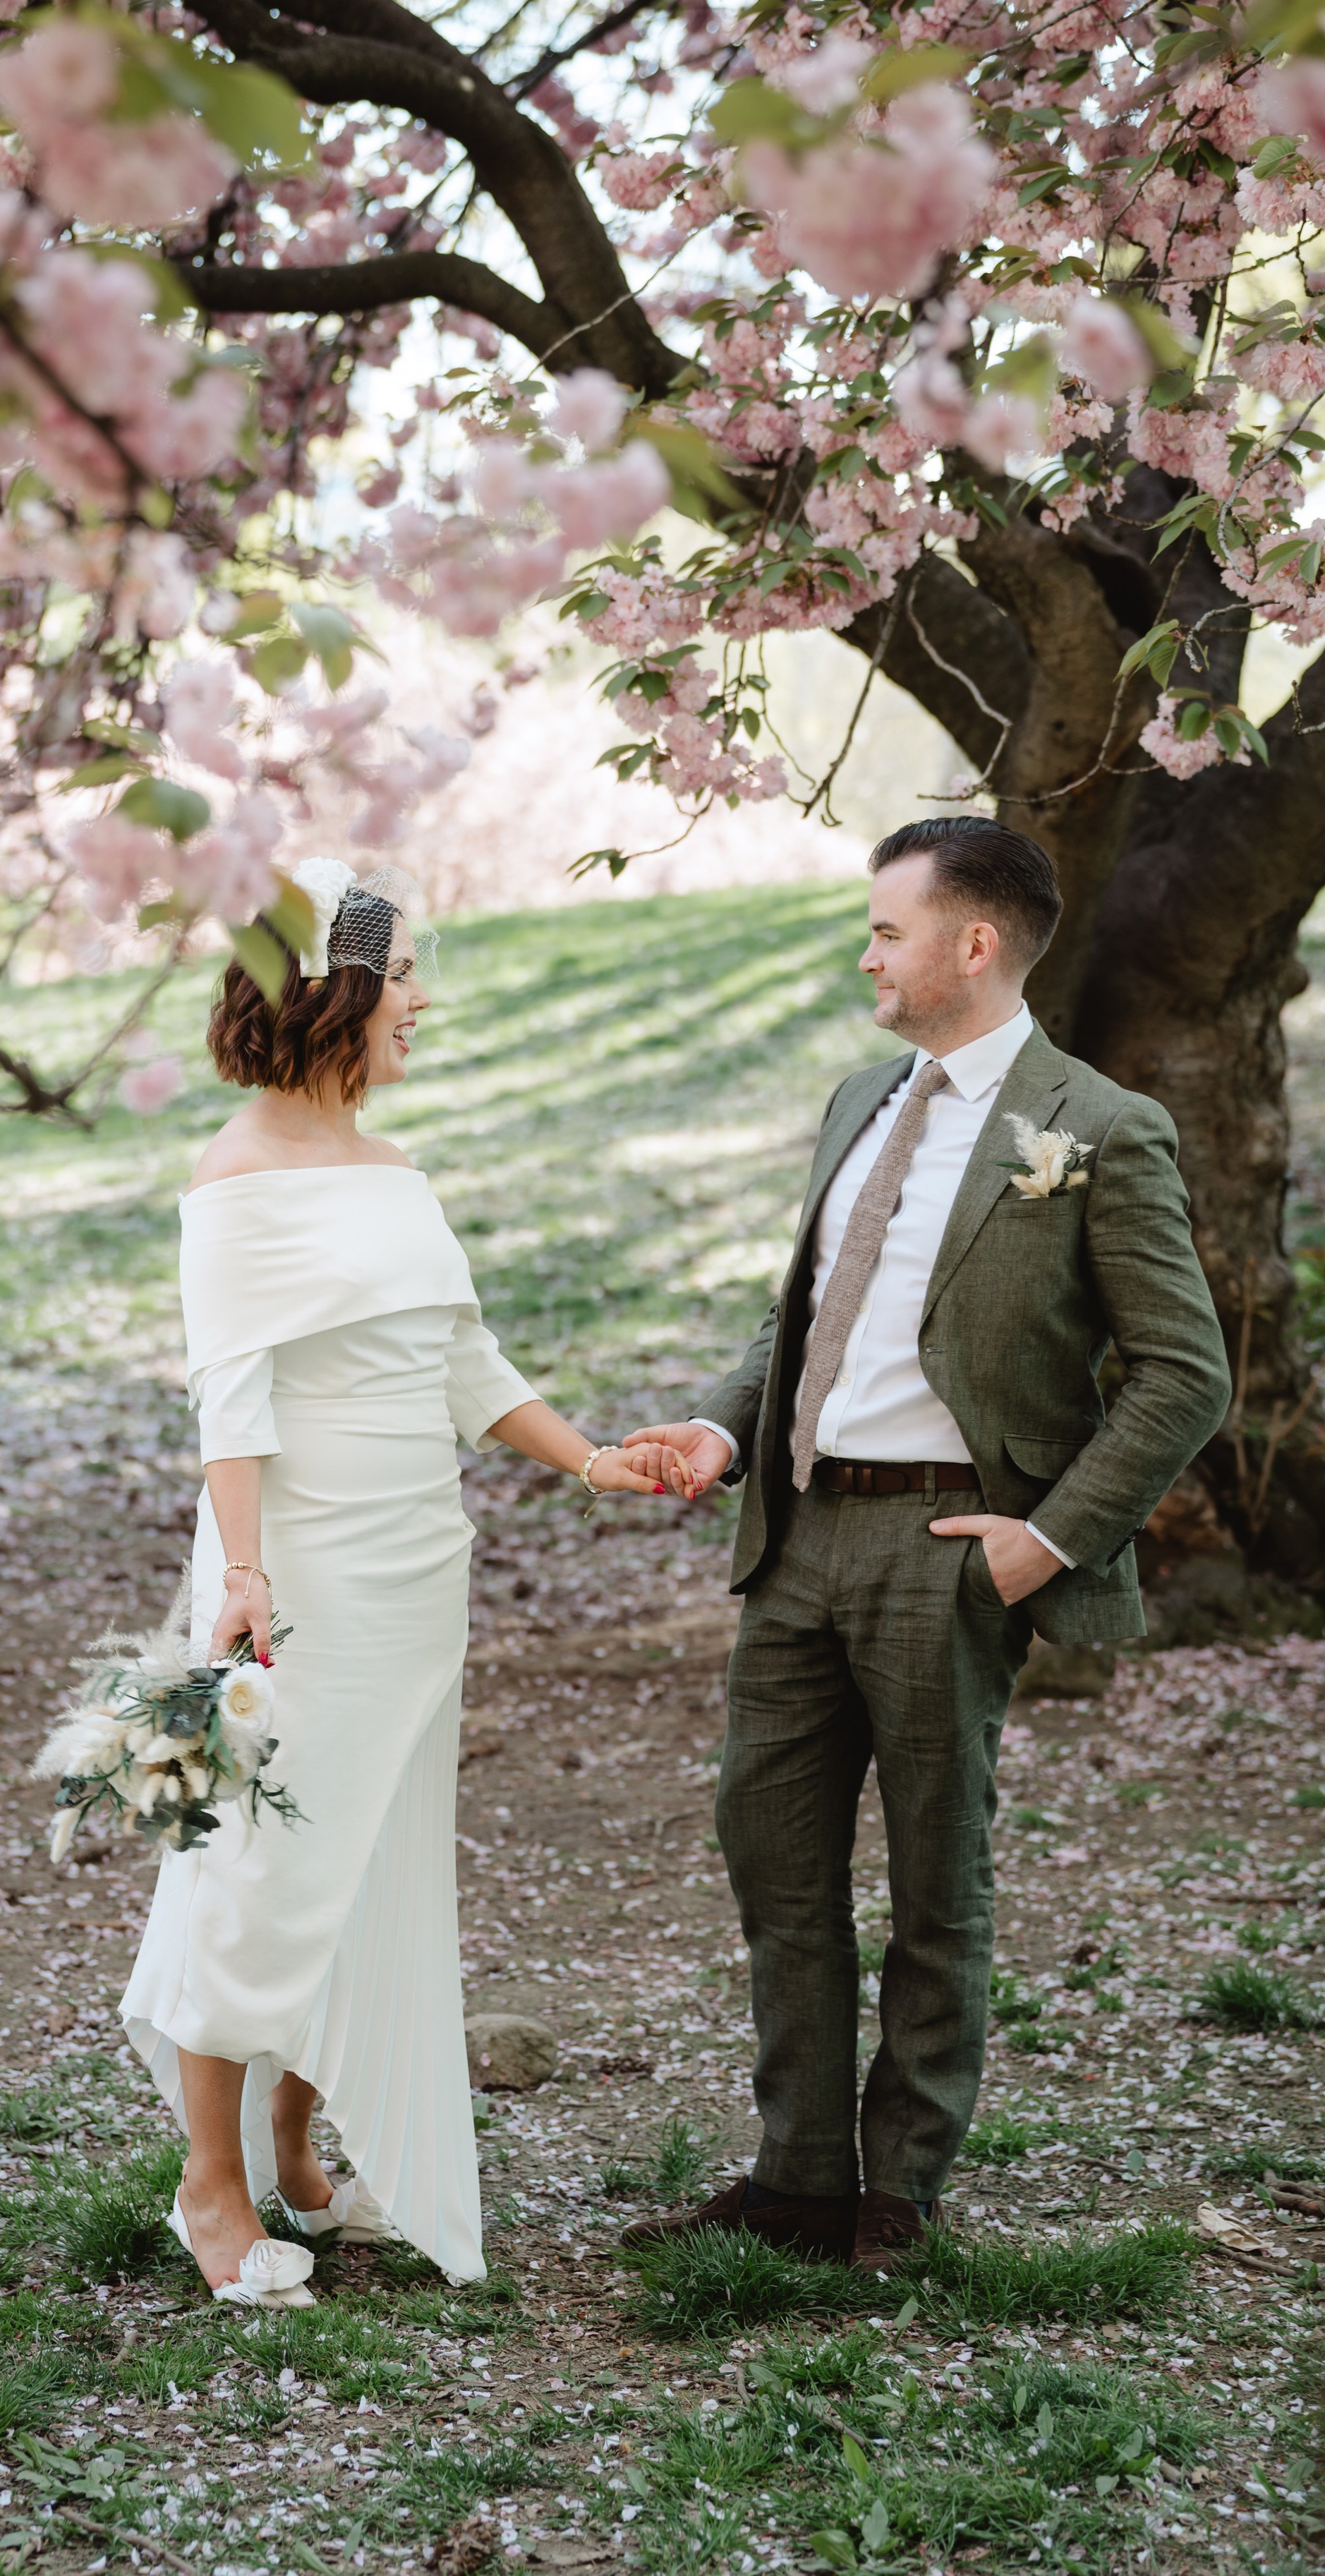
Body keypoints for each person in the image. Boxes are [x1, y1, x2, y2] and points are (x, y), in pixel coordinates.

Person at [622, 818, 1231, 2273]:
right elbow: (804, 1324)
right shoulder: (856, 1100)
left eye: (884, 930)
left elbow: (1180, 1372)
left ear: (972, 945)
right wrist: (719, 1426)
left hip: (946, 1547)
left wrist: (1046, 1541)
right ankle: (794, 2179)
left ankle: (896, 2192)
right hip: (796, 1538)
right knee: (771, 1858)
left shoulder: (1090, 1126)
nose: (864, 954)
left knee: (931, 1875)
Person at [121, 857, 664, 2307]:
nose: (423, 1002)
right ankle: (211, 2181)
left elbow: (462, 1361)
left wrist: (594, 1462)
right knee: (254, 1862)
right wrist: (239, 1574)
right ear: (333, 989)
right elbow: (227, 1398)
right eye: (406, 974)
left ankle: (303, 2155)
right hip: (289, 1575)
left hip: (419, 1569)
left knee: (359, 1863)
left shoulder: (393, 1171)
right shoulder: (234, 1177)